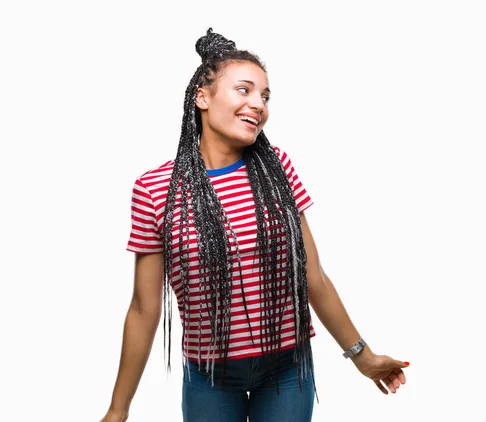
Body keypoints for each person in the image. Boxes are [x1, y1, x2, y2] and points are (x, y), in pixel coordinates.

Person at [100, 28, 410, 422]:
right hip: (208, 375)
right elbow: (145, 309)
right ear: (203, 97)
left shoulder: (276, 167)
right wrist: (118, 409)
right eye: (244, 90)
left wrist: (362, 358)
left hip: (286, 368)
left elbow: (313, 277)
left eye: (264, 96)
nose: (258, 104)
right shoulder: (154, 188)